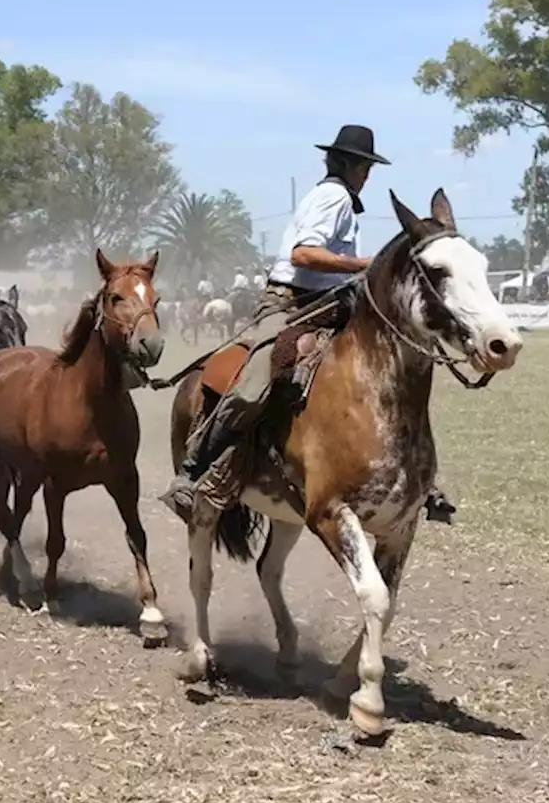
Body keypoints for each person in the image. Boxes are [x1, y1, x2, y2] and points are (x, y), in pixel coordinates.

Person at [160, 124, 385, 522]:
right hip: (292, 304)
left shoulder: (343, 202)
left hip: (332, 305)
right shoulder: (333, 197)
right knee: (253, 384)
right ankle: (194, 470)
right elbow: (303, 255)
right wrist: (363, 265)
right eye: (365, 167)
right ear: (349, 165)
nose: (367, 176)